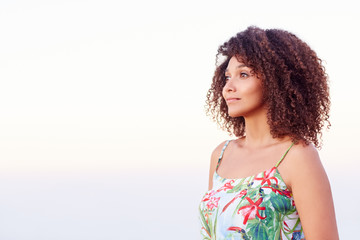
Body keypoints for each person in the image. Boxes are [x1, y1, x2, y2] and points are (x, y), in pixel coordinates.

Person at [199, 26, 339, 239]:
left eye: (243, 74)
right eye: (227, 77)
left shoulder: (297, 156)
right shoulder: (220, 155)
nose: (228, 87)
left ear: (276, 81)